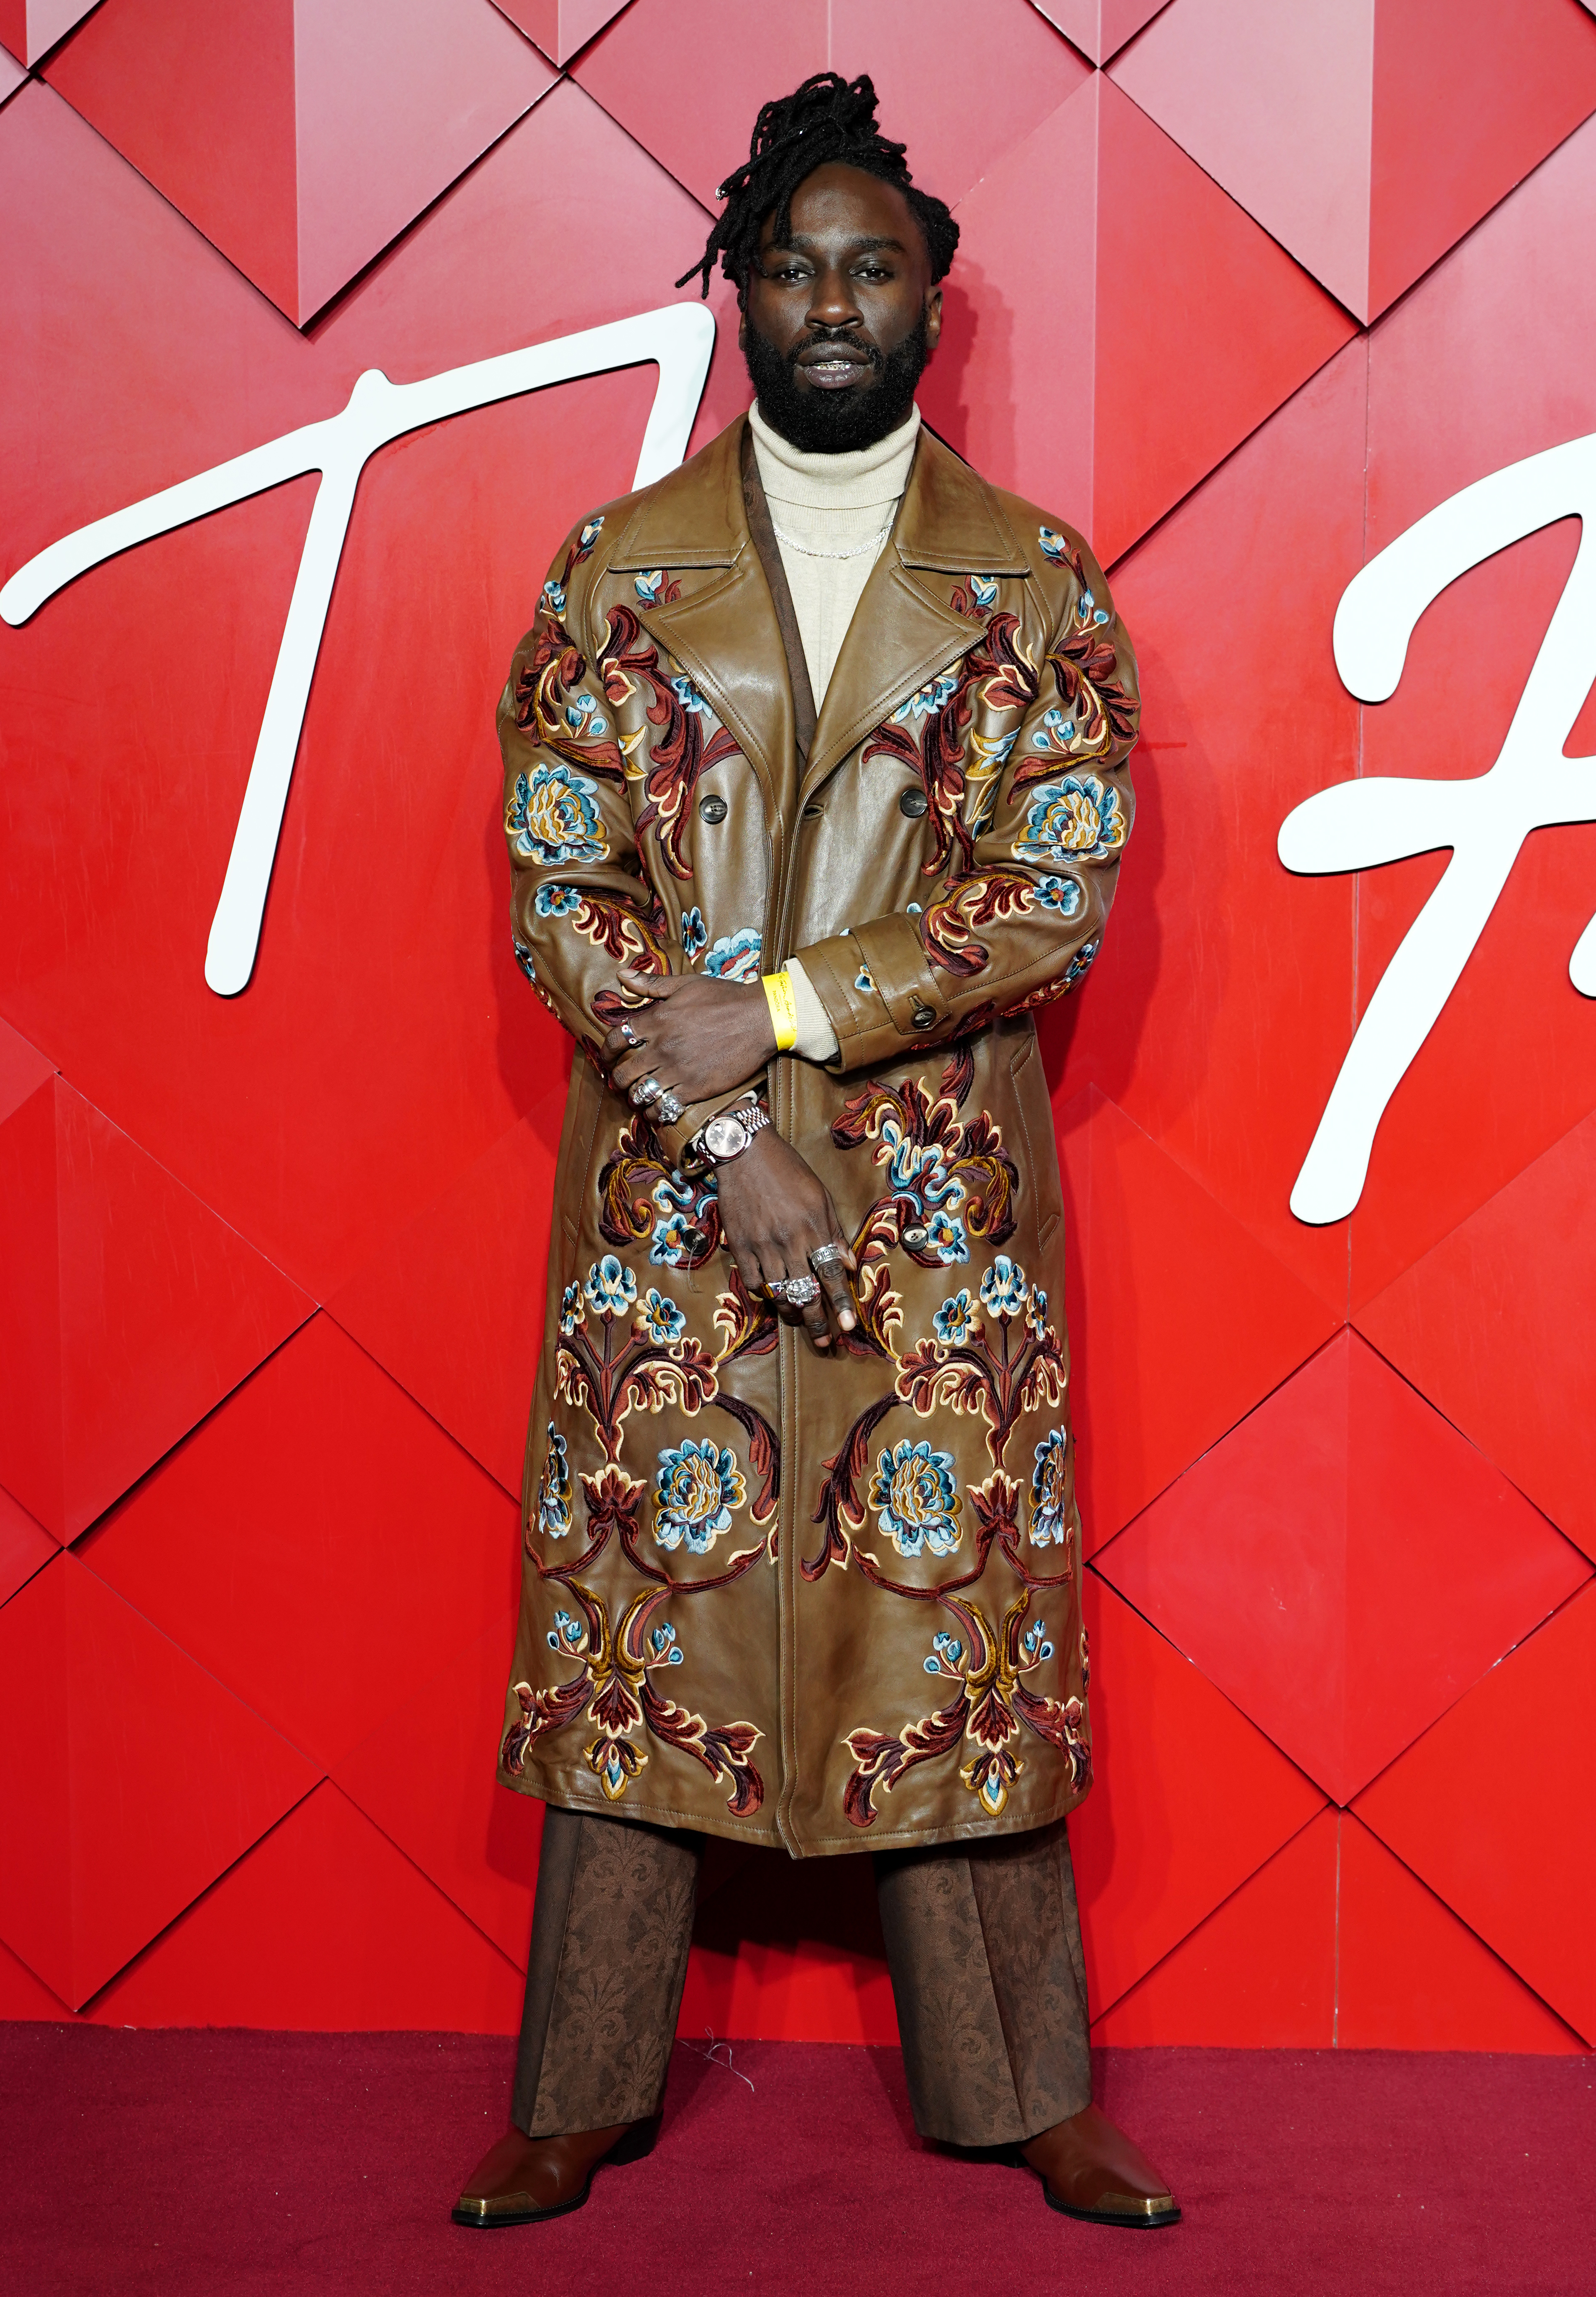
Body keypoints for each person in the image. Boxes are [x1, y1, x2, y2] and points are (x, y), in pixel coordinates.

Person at [455, 72, 1175, 2233]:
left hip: (934, 1211)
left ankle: (1022, 2087)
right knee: (638, 1607)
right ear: (732, 297)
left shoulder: (1029, 589)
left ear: (933, 301)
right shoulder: (616, 572)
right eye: (792, 267)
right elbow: (557, 881)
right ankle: (574, 2087)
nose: (832, 302)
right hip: (668, 1208)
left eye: (873, 267)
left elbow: (1050, 893)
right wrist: (718, 1124)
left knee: (945, 1616)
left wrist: (777, 1014)